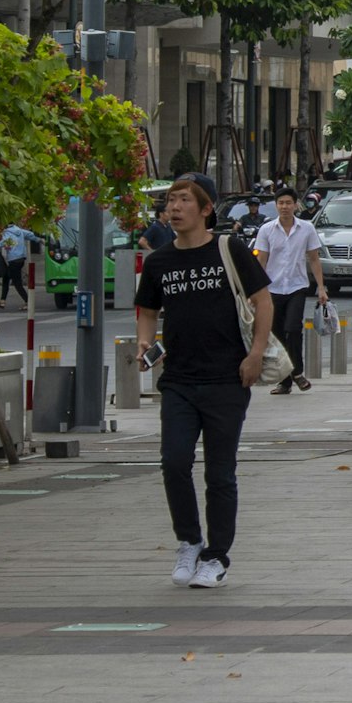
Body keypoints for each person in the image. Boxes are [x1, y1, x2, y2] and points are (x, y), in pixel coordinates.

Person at [132, 175, 271, 585]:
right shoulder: (158, 261)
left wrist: (255, 353)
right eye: (170, 201)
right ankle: (189, 541)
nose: (174, 208)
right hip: (178, 379)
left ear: (206, 208)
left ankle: (216, 557)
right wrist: (144, 343)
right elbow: (147, 310)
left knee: (219, 472)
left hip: (227, 377)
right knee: (174, 461)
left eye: (183, 201)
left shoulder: (229, 248)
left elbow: (263, 301)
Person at [252, 189, 326, 396]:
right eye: (281, 203)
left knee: (293, 329)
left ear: (295, 205)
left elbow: (313, 258)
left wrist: (321, 287)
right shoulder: (266, 229)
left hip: (297, 286)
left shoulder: (307, 228)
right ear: (276, 205)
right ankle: (285, 381)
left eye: (288, 203)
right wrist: (257, 291)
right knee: (277, 333)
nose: (284, 207)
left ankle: (298, 372)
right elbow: (261, 261)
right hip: (272, 289)